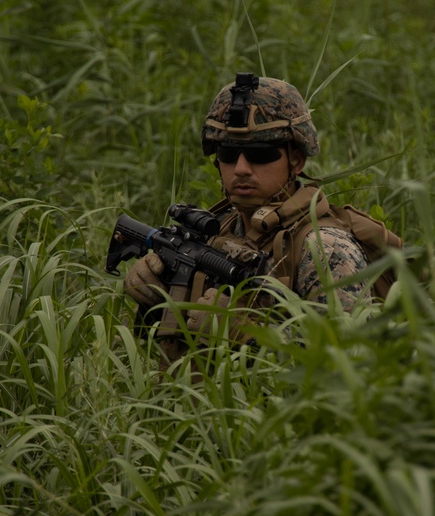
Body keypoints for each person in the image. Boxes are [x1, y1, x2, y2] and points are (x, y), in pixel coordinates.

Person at [123, 73, 373, 362]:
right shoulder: (225, 225)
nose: (241, 168)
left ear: (297, 161)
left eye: (259, 154)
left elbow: (352, 360)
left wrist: (248, 333)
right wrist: (155, 294)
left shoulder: (323, 247)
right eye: (229, 153)